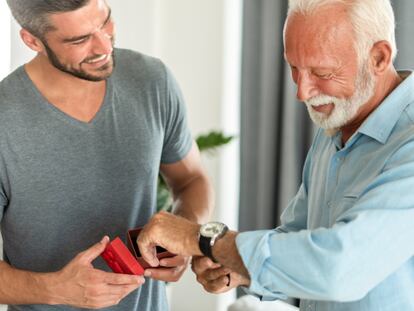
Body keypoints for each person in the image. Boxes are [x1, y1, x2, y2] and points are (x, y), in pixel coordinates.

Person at [137, 0, 414, 310]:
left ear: (378, 57)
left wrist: (203, 239)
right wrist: (240, 267)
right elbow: (298, 235)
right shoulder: (338, 124)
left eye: (322, 72)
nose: (303, 92)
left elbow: (340, 267)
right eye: (294, 68)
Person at [0, 0, 213, 310]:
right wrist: (54, 289)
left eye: (105, 22)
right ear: (33, 41)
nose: (104, 44)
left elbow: (192, 179)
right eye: (80, 39)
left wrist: (183, 235)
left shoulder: (152, 81)